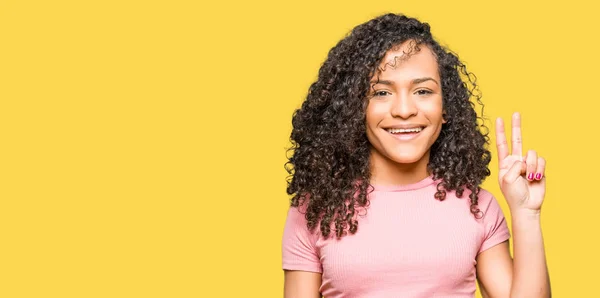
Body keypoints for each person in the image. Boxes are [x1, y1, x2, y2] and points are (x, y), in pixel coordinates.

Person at [281, 13, 551, 298]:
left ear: (446, 108)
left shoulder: (478, 206)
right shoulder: (314, 211)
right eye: (382, 93)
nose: (404, 110)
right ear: (354, 109)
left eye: (422, 91)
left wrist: (526, 214)